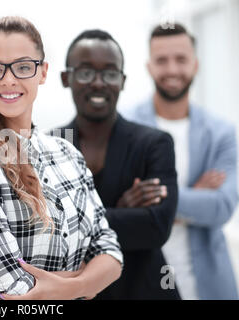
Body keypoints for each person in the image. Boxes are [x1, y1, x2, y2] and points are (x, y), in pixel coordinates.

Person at [0, 16, 123, 300]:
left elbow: (111, 252)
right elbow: (13, 287)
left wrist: (74, 286)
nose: (8, 79)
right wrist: (87, 280)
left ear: (42, 73)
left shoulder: (67, 152)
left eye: (23, 67)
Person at [51, 29, 180, 300]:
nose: (98, 83)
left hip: (144, 290)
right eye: (86, 72)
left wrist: (75, 222)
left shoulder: (154, 143)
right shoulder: (47, 145)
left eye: (110, 73)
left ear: (121, 81)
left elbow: (157, 227)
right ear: (66, 78)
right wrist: (119, 213)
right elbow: (39, 232)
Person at [123, 23, 238, 300]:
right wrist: (195, 196)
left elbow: (221, 208)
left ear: (196, 64)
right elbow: (120, 205)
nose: (172, 70)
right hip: (144, 281)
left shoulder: (221, 132)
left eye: (181, 59)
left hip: (209, 284)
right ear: (149, 66)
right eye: (162, 60)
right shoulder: (125, 128)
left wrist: (157, 201)